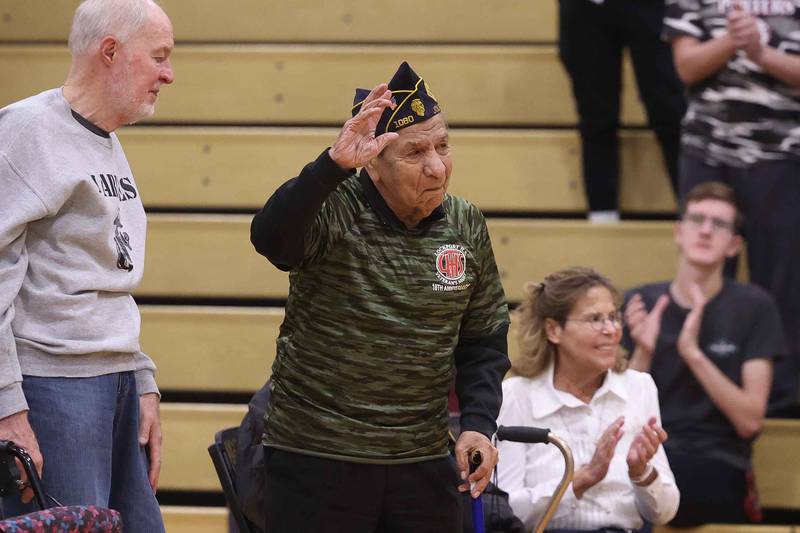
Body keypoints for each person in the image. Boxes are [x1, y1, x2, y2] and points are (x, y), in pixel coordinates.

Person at [249, 61, 511, 532]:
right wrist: (329, 167)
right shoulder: (334, 206)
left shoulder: (466, 224)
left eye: (443, 146)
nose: (437, 166)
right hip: (317, 455)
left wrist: (477, 422)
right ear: (373, 161)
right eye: (415, 152)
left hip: (423, 457)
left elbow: (485, 340)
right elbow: (270, 239)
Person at [0, 0, 174, 529]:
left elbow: (108, 276)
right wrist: (6, 404)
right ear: (111, 51)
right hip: (55, 387)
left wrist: (141, 379)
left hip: (115, 379)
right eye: (159, 56)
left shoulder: (106, 141)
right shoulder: (25, 130)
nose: (168, 74)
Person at [665, 0, 800, 416]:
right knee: (701, 271)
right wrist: (732, 40)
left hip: (781, 150)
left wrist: (761, 52)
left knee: (780, 276)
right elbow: (686, 66)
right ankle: (699, 389)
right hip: (708, 146)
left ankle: (776, 395)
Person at [623, 181, 783, 526]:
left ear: (734, 245)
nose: (706, 231)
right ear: (679, 232)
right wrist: (644, 351)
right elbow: (620, 416)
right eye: (697, 220)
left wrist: (692, 353)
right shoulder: (640, 304)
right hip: (645, 453)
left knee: (684, 480)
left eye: (720, 224)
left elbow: (749, 421)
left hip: (718, 459)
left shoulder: (755, 306)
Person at [496, 267, 679, 532]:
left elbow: (665, 512)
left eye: (614, 317)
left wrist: (642, 474)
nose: (611, 330)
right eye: (595, 319)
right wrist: (580, 479)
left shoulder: (639, 387)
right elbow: (502, 513)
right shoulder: (516, 396)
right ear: (553, 330)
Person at [558, 0, 686, 222]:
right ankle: (602, 216)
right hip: (586, 10)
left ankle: (693, 214)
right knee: (596, 119)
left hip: (651, 8)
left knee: (669, 111)